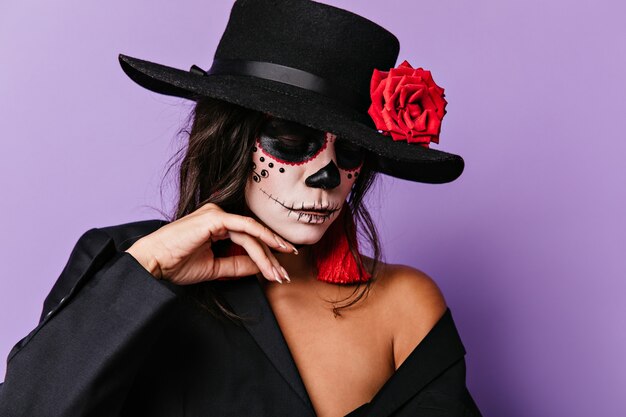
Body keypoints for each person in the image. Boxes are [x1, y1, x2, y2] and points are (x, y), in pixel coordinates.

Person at [0, 0, 482, 416]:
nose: (327, 176)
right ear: (229, 140)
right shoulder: (123, 260)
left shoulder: (404, 302)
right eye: (293, 140)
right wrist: (146, 271)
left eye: (350, 152)